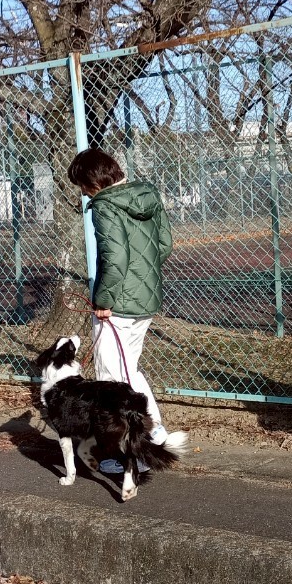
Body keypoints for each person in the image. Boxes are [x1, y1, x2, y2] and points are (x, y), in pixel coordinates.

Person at [67, 147, 174, 471]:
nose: (83, 193)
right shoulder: (147, 194)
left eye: (82, 186)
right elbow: (165, 245)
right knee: (129, 372)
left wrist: (104, 301)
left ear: (92, 182)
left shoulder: (105, 206)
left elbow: (114, 259)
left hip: (118, 306)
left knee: (113, 381)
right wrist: (142, 279)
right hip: (145, 300)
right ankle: (153, 433)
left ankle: (138, 450)